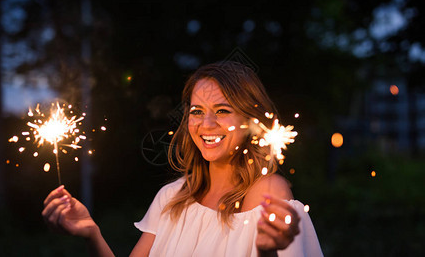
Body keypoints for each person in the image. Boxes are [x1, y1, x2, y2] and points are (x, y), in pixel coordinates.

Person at [42, 61, 323, 257]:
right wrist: (92, 233)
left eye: (223, 110)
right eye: (197, 111)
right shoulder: (171, 198)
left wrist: (267, 252)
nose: (206, 124)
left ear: (251, 120)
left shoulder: (268, 193)